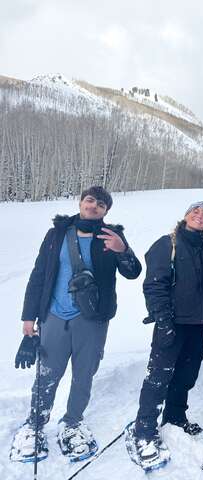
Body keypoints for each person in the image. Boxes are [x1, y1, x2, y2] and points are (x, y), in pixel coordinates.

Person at [10, 186, 142, 463]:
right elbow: (39, 275)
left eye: (101, 204)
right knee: (47, 374)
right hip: (54, 317)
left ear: (106, 211)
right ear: (81, 202)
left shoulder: (112, 235)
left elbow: (133, 272)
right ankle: (34, 425)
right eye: (90, 200)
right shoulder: (58, 233)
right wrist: (28, 318)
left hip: (92, 320)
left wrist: (123, 250)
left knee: (84, 374)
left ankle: (72, 423)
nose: (94, 206)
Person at [125, 201, 203, 471]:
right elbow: (154, 285)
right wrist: (162, 318)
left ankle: (175, 417)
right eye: (195, 211)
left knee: (186, 375)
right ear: (186, 216)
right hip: (172, 324)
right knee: (158, 377)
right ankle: (144, 429)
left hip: (197, 325)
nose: (200, 216)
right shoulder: (167, 244)